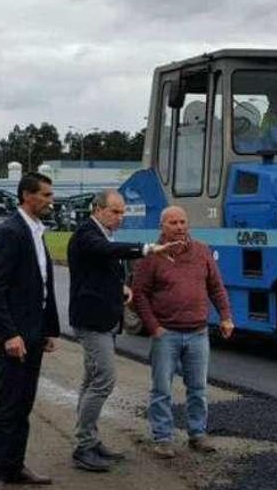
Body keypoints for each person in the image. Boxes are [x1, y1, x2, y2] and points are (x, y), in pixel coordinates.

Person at [68, 188, 176, 472]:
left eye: (122, 212)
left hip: (103, 318)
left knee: (91, 379)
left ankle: (88, 441)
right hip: (92, 321)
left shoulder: (102, 233)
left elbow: (97, 270)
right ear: (97, 209)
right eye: (115, 212)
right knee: (104, 379)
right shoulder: (87, 233)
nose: (120, 217)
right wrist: (147, 248)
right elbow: (104, 251)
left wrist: (120, 287)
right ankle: (83, 446)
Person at [131, 206, 234, 458]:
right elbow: (138, 295)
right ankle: (163, 438)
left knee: (198, 387)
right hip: (166, 334)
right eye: (173, 223)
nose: (179, 227)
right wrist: (153, 326)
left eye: (183, 222)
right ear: (162, 227)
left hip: (198, 333)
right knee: (162, 389)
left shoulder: (201, 251)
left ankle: (197, 434)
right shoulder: (152, 257)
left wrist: (225, 317)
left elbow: (216, 287)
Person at [0, 172, 60, 490]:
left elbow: (43, 285)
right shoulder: (10, 232)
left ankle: (15, 467)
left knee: (24, 403)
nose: (50, 200)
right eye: (45, 195)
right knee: (8, 404)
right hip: (13, 335)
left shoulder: (37, 232)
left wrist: (49, 329)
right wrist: (8, 334)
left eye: (50, 195)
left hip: (33, 332)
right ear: (27, 196)